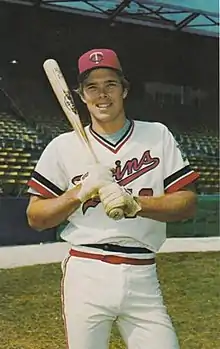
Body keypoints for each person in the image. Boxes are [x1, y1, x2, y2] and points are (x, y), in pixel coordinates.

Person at [26, 48, 199, 349]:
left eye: (110, 84)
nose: (101, 94)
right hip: (86, 271)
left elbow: (186, 202)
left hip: (142, 270)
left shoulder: (157, 135)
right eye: (92, 87)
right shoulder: (62, 147)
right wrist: (78, 193)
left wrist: (135, 204)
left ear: (125, 89)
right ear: (80, 95)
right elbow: (36, 217)